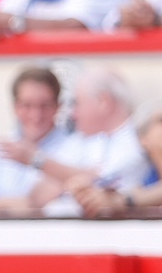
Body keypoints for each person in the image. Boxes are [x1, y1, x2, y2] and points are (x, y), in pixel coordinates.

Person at [26, 65, 150, 215]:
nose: (72, 113)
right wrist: (76, 177)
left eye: (77, 103)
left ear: (103, 101)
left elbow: (105, 185)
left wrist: (39, 162)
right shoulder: (79, 141)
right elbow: (37, 197)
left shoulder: (140, 139)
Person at [0, 65, 70, 217]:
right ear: (15, 107)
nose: (36, 115)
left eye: (45, 106)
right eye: (27, 105)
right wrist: (3, 206)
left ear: (58, 107)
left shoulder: (74, 148)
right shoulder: (0, 148)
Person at [73, 105, 162, 214]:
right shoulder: (145, 176)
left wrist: (124, 200)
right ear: (143, 139)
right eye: (160, 120)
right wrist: (90, 194)